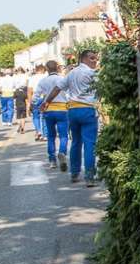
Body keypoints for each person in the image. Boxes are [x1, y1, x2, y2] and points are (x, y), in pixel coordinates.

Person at [41, 50, 99, 187]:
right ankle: (89, 177)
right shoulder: (92, 73)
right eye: (92, 58)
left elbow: (57, 88)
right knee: (89, 144)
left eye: (95, 59)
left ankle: (74, 174)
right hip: (88, 110)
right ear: (83, 59)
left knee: (76, 142)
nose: (95, 61)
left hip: (73, 111)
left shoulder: (71, 73)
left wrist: (47, 102)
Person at [34, 61, 69, 170]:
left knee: (51, 136)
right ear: (57, 68)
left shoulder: (43, 81)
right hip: (62, 109)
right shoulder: (63, 79)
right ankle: (62, 152)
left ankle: (52, 160)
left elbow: (36, 96)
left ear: (46, 69)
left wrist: (34, 105)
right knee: (63, 135)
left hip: (48, 109)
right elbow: (69, 93)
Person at [27, 64, 46, 141]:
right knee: (44, 116)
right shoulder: (45, 77)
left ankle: (38, 131)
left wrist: (29, 102)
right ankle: (45, 134)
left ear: (36, 70)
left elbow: (29, 91)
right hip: (44, 97)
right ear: (43, 70)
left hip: (35, 97)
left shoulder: (32, 78)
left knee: (35, 116)